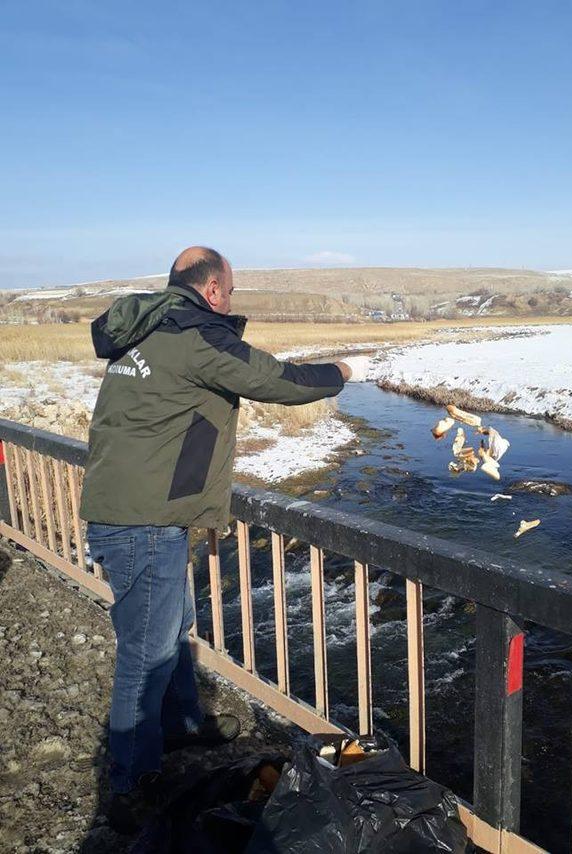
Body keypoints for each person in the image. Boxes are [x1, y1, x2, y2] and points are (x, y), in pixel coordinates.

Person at [80, 246, 369, 832]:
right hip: (143, 520)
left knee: (173, 622)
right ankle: (129, 786)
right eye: (231, 292)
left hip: (133, 511)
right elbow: (273, 379)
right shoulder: (192, 333)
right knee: (146, 652)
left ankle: (184, 724)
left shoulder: (146, 326)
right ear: (212, 290)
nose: (231, 301)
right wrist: (339, 374)